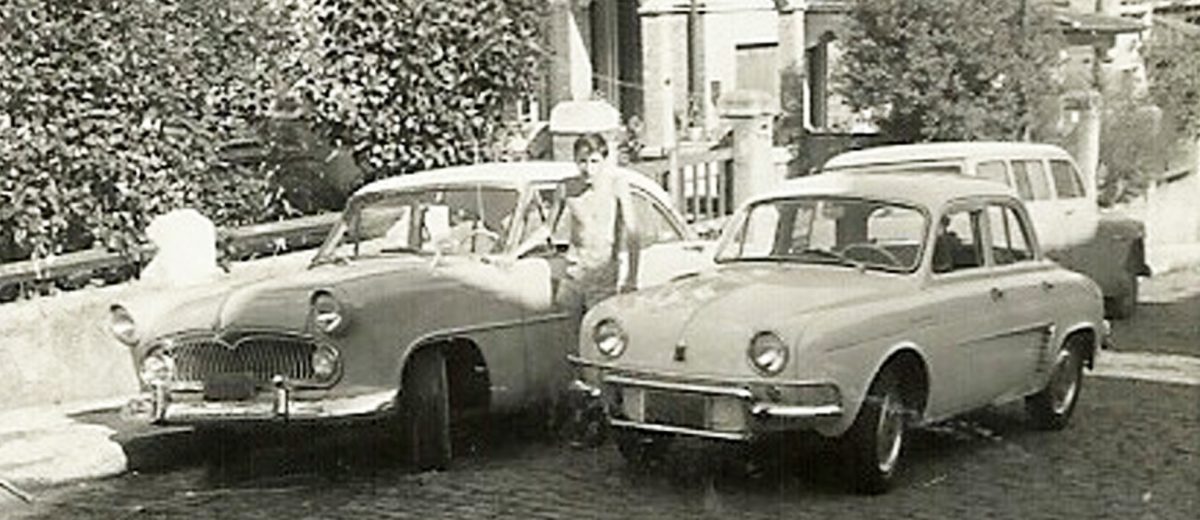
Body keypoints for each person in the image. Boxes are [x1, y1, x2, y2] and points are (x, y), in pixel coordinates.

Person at [553, 133, 642, 310]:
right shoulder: (567, 187)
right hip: (575, 273)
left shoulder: (617, 185)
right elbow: (547, 229)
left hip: (604, 276)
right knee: (567, 322)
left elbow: (632, 232)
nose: (588, 168)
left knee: (600, 324)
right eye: (582, 161)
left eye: (594, 161)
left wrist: (631, 277)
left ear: (603, 161)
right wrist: (513, 254)